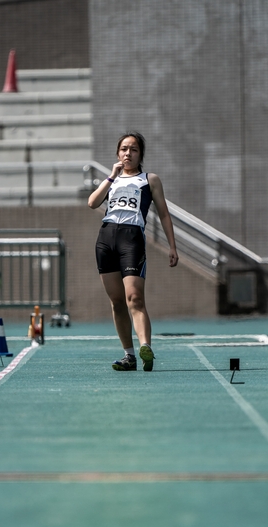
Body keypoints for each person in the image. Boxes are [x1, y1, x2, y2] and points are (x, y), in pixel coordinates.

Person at [88, 131, 179, 371]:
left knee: (134, 298)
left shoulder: (150, 179)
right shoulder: (112, 179)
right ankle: (129, 356)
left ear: (141, 155)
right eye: (124, 149)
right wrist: (111, 177)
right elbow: (92, 203)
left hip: (132, 239)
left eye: (134, 149)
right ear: (118, 153)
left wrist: (172, 245)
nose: (128, 153)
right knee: (117, 302)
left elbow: (164, 214)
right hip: (106, 239)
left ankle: (145, 346)